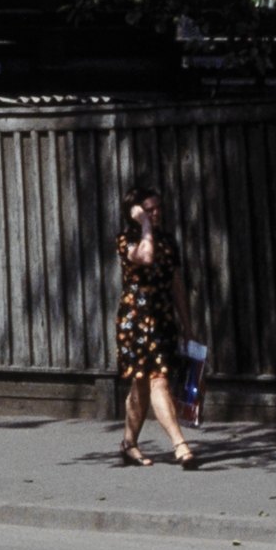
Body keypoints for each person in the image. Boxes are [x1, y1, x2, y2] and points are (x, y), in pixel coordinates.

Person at [114, 184, 201, 468]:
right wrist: (145, 226)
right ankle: (181, 445)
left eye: (157, 208)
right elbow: (145, 256)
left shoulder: (167, 241)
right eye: (149, 210)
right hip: (136, 321)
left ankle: (129, 444)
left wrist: (187, 326)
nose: (156, 213)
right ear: (135, 213)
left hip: (162, 318)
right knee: (157, 380)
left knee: (142, 385)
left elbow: (177, 285)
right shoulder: (126, 239)